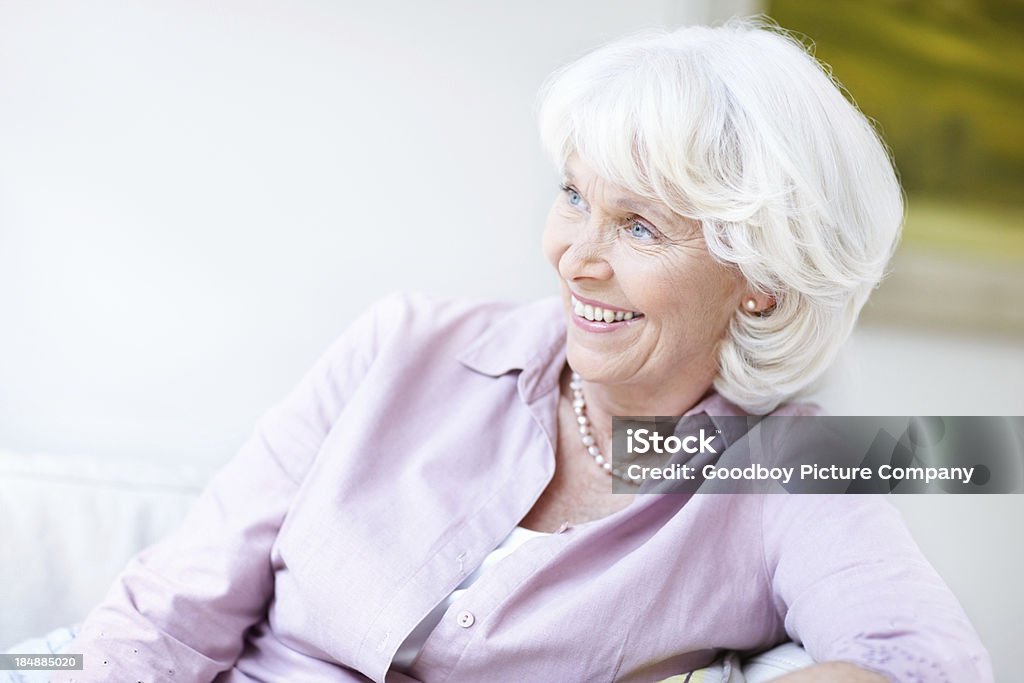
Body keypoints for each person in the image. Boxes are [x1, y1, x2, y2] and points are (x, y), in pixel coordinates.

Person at [51, 18, 991, 683]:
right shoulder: (406, 344)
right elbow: (175, 605)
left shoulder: (789, 463)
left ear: (762, 278)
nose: (577, 258)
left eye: (640, 226)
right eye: (575, 195)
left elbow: (929, 665)